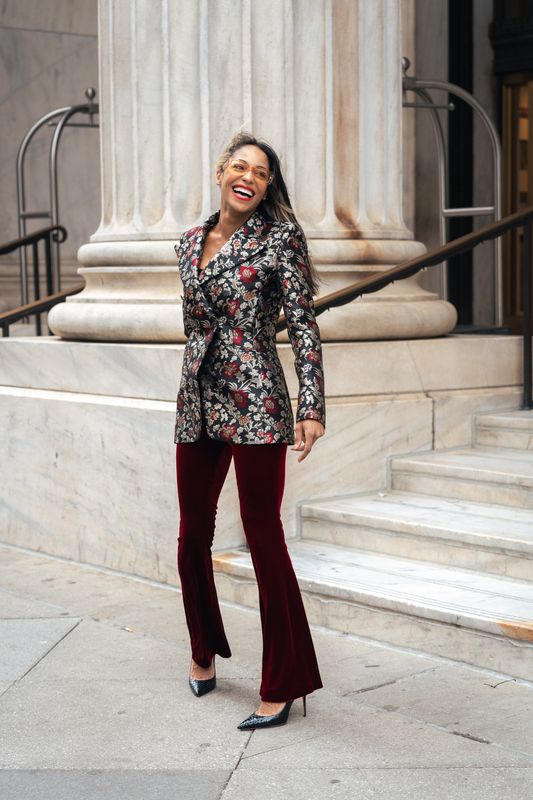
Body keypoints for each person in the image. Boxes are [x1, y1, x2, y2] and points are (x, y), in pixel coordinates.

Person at [174, 131, 325, 731]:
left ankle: (283, 683)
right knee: (191, 536)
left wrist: (310, 405)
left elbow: (304, 327)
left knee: (264, 536)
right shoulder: (187, 243)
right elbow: (194, 323)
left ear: (266, 187)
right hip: (198, 400)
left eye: (261, 173)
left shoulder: (280, 238)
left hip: (258, 397)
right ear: (221, 173)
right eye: (241, 166)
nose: (249, 177)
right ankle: (202, 649)